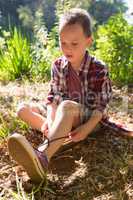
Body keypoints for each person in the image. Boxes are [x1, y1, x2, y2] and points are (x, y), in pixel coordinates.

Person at [8, 8, 133, 183]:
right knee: (22, 109)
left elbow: (100, 106)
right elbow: (54, 97)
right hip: (61, 112)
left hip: (87, 117)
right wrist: (50, 121)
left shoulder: (98, 68)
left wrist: (87, 128)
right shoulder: (58, 65)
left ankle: (42, 156)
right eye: (63, 43)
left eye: (74, 44)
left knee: (67, 106)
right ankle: (57, 135)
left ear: (88, 41)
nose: (67, 49)